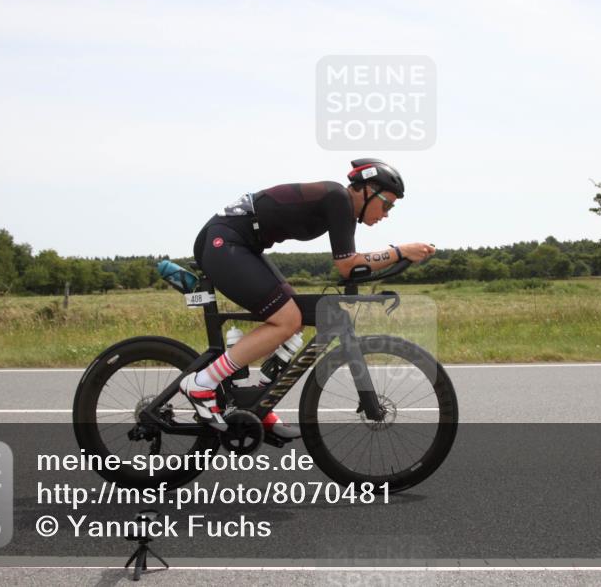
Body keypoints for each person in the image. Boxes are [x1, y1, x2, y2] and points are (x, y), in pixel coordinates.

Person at [180, 158, 436, 438]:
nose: (386, 213)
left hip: (243, 245)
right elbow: (348, 265)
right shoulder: (338, 197)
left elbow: (350, 265)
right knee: (286, 319)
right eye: (386, 203)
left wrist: (398, 256)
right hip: (223, 242)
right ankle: (202, 383)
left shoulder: (344, 210)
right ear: (366, 190)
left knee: (297, 316)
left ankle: (258, 403)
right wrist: (400, 252)